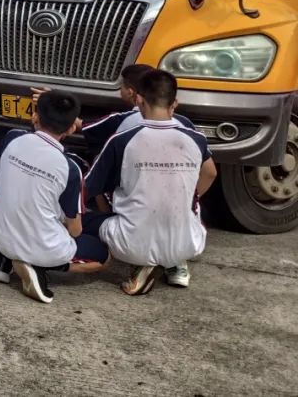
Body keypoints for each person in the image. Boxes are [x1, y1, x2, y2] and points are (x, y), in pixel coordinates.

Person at [84, 69, 217, 296]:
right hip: (187, 244)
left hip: (131, 244)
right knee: (185, 207)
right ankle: (172, 262)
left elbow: (86, 188)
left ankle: (142, 261)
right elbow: (210, 173)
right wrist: (189, 198)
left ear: (138, 100)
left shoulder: (123, 140)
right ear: (175, 103)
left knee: (85, 219)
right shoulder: (196, 139)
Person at [0, 91, 109, 304]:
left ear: (35, 117)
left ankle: (3, 261)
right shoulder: (70, 168)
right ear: (71, 128)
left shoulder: (12, 138)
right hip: (40, 246)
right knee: (103, 256)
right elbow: (75, 230)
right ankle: (38, 265)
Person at [81, 64, 194, 154]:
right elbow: (209, 171)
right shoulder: (185, 123)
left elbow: (86, 127)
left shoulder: (119, 121)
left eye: (122, 86)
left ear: (130, 92)